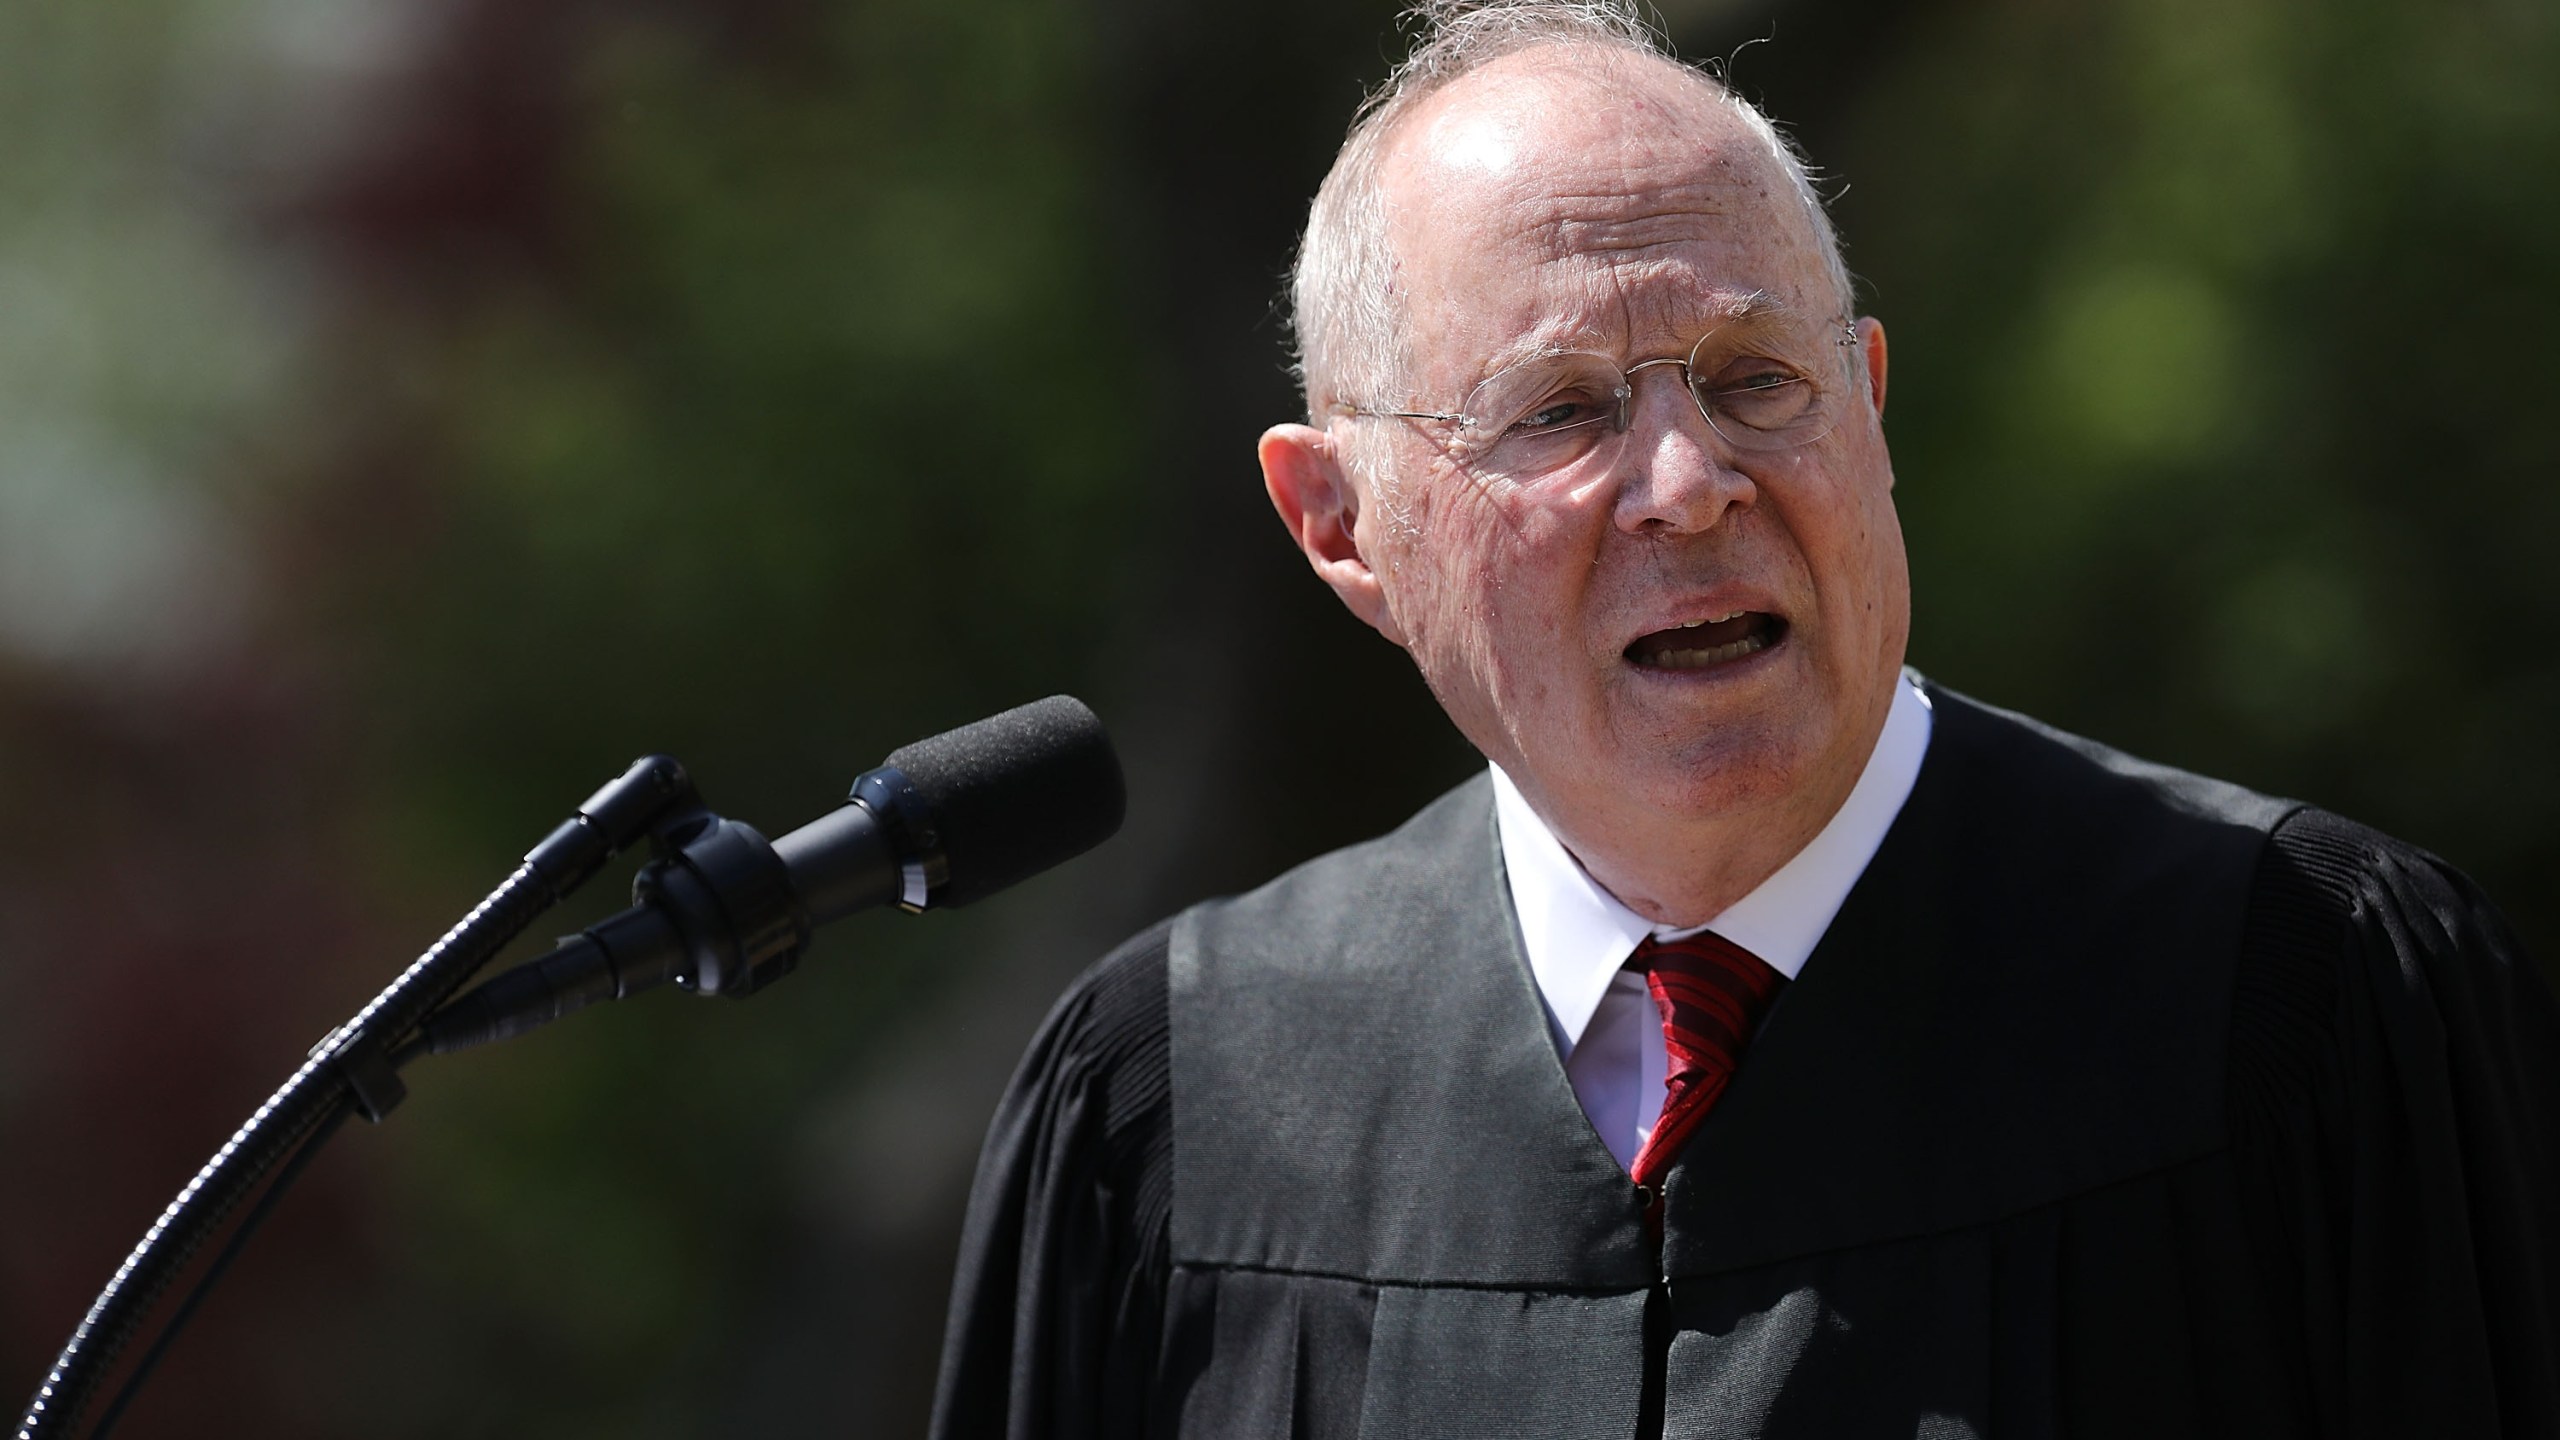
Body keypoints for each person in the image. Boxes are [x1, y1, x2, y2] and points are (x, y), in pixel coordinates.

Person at [928, 3, 2560, 1436]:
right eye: (1561, 409)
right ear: (1343, 526)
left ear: (1869, 402)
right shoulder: (1181, 1107)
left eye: (1756, 378)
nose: (1692, 484)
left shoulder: (2298, 998)